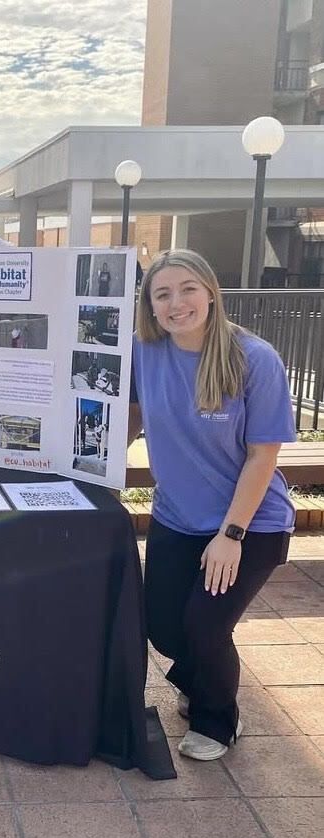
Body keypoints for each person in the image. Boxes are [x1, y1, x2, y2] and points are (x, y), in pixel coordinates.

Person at [129, 249, 295, 761]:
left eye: (187, 289)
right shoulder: (143, 351)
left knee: (205, 624)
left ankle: (218, 719)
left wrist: (231, 535)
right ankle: (202, 676)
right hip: (176, 517)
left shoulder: (253, 357)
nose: (176, 303)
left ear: (210, 292)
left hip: (250, 522)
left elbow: (263, 455)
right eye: (163, 294)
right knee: (161, 625)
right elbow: (131, 419)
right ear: (150, 305)